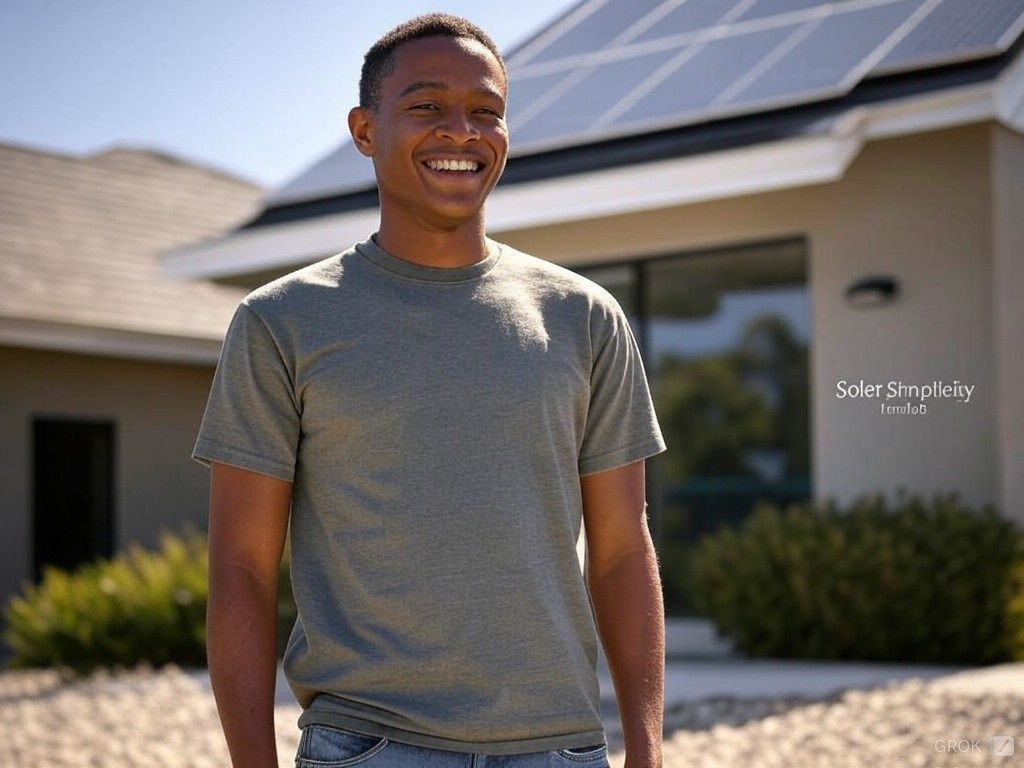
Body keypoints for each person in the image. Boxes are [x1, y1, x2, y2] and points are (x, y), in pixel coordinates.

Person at [192, 12, 667, 768]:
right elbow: (242, 568)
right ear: (364, 129)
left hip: (561, 750)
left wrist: (644, 748)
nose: (461, 132)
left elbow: (618, 550)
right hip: (370, 746)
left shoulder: (584, 318)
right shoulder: (282, 322)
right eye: (426, 107)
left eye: (487, 112)